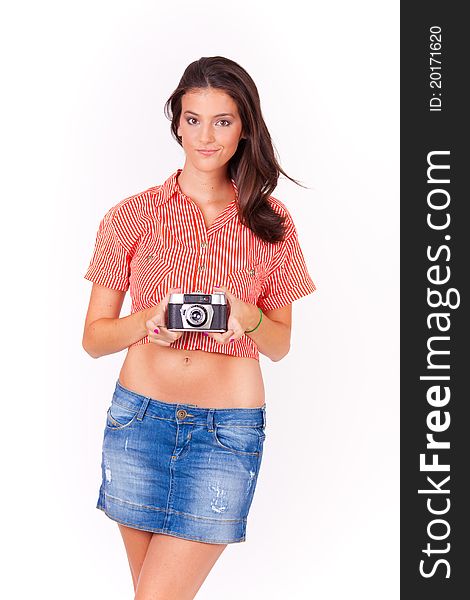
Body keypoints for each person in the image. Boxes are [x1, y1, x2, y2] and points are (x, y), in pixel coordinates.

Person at [82, 55, 317, 599]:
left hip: (226, 431)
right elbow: (94, 338)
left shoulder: (272, 221)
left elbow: (279, 344)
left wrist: (247, 314)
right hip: (138, 422)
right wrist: (147, 320)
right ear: (176, 123)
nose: (205, 136)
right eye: (193, 120)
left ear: (245, 127)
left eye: (223, 121)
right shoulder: (130, 215)